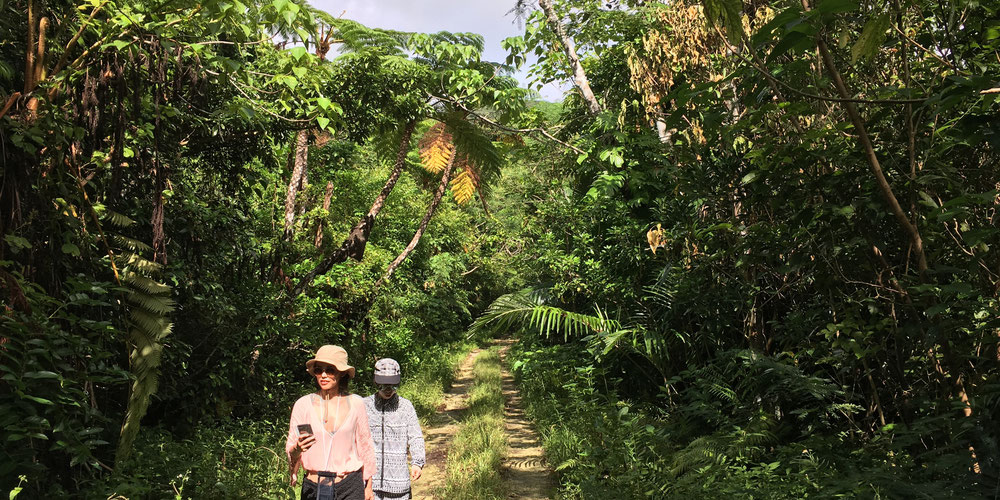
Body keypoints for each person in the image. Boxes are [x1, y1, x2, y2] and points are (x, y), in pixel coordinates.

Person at [287, 345, 376, 500]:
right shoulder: (303, 405)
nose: (323, 375)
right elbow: (291, 449)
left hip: (349, 486)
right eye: (318, 370)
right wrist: (297, 449)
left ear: (341, 373)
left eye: (330, 370)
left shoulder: (357, 404)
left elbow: (365, 445)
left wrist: (369, 486)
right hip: (314, 487)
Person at [363, 358, 426, 500]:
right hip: (368, 484)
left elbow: (415, 436)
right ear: (375, 382)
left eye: (393, 385)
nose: (388, 390)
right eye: (383, 385)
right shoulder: (363, 405)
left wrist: (417, 463)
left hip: (399, 485)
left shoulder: (405, 407)